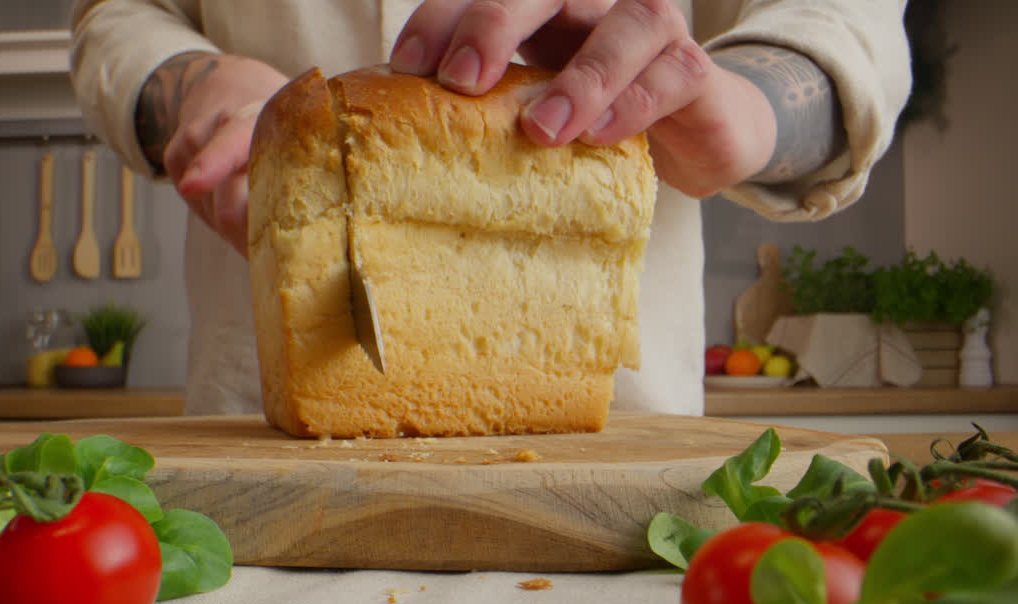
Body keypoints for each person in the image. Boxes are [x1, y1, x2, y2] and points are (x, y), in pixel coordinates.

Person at [69, 0, 911, 417]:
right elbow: (118, 14)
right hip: (266, 431)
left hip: (613, 450)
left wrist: (750, 108)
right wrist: (195, 85)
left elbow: (842, 20)